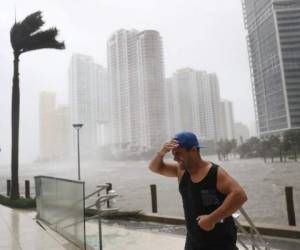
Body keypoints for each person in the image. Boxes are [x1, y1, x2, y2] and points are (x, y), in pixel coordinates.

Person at [148, 131, 247, 250]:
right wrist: (161, 152)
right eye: (173, 154)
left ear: (193, 150)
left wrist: (212, 219)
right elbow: (154, 168)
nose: (175, 158)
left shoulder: (215, 173)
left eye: (178, 153)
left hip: (220, 243)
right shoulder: (181, 171)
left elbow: (239, 195)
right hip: (193, 242)